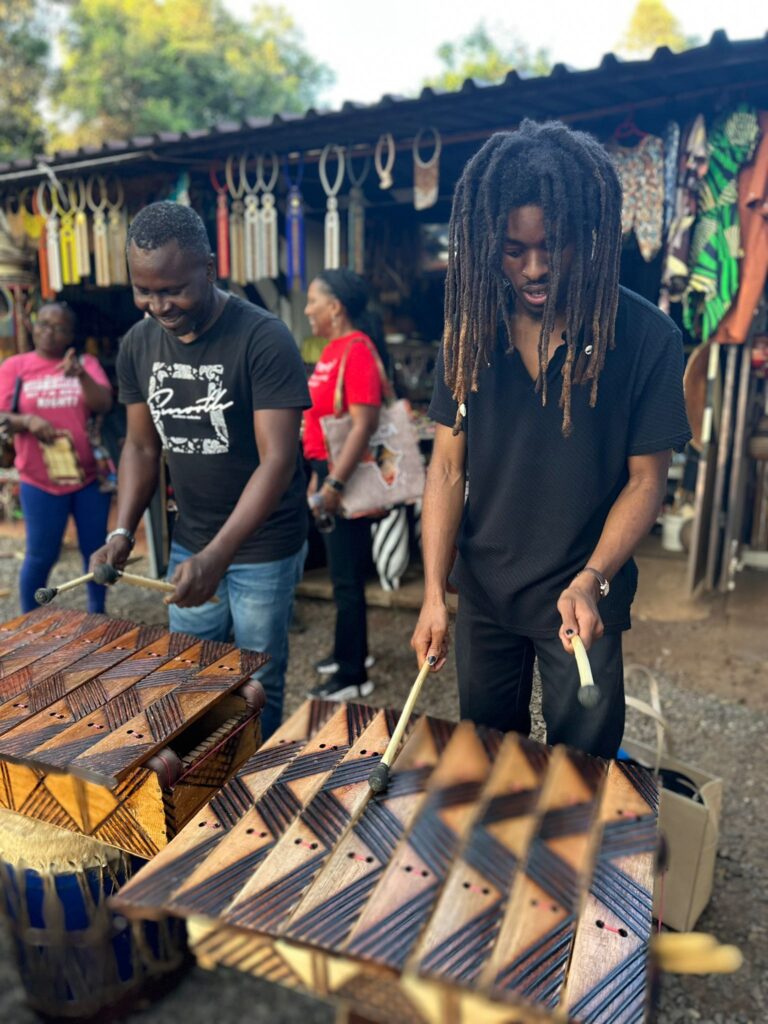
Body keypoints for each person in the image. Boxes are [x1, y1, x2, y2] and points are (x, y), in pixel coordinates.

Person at [411, 120, 692, 759]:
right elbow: (447, 471)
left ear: (589, 236)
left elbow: (648, 480)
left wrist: (593, 578)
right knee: (485, 762)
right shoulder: (469, 332)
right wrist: (433, 594)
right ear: (489, 244)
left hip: (583, 595)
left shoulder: (648, 338)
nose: (534, 268)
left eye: (554, 245)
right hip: (485, 592)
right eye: (514, 250)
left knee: (582, 773)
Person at [90, 201, 310, 739]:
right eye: (144, 291)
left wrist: (218, 556)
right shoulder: (138, 344)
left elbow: (278, 460)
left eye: (172, 290)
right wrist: (122, 531)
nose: (159, 305)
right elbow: (142, 449)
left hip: (263, 544)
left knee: (257, 678)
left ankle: (255, 782)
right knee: (188, 674)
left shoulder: (263, 337)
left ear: (209, 269)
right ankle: (200, 781)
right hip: (192, 541)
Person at [303, 269, 387, 700]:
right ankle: (348, 652)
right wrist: (319, 477)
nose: (307, 309)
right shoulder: (334, 349)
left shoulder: (356, 350)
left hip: (346, 478)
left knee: (347, 579)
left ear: (335, 307)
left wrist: (333, 482)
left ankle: (353, 676)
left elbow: (363, 424)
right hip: (328, 472)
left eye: (313, 300)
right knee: (343, 577)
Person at [0, 302, 113, 613]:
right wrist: (28, 422)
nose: (49, 331)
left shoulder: (85, 363)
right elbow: (2, 415)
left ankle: (97, 617)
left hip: (88, 479)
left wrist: (80, 376)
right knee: (41, 555)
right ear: (34, 326)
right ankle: (29, 623)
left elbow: (104, 403)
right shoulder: (15, 366)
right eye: (43, 323)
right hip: (39, 480)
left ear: (70, 335)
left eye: (59, 327)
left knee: (95, 552)